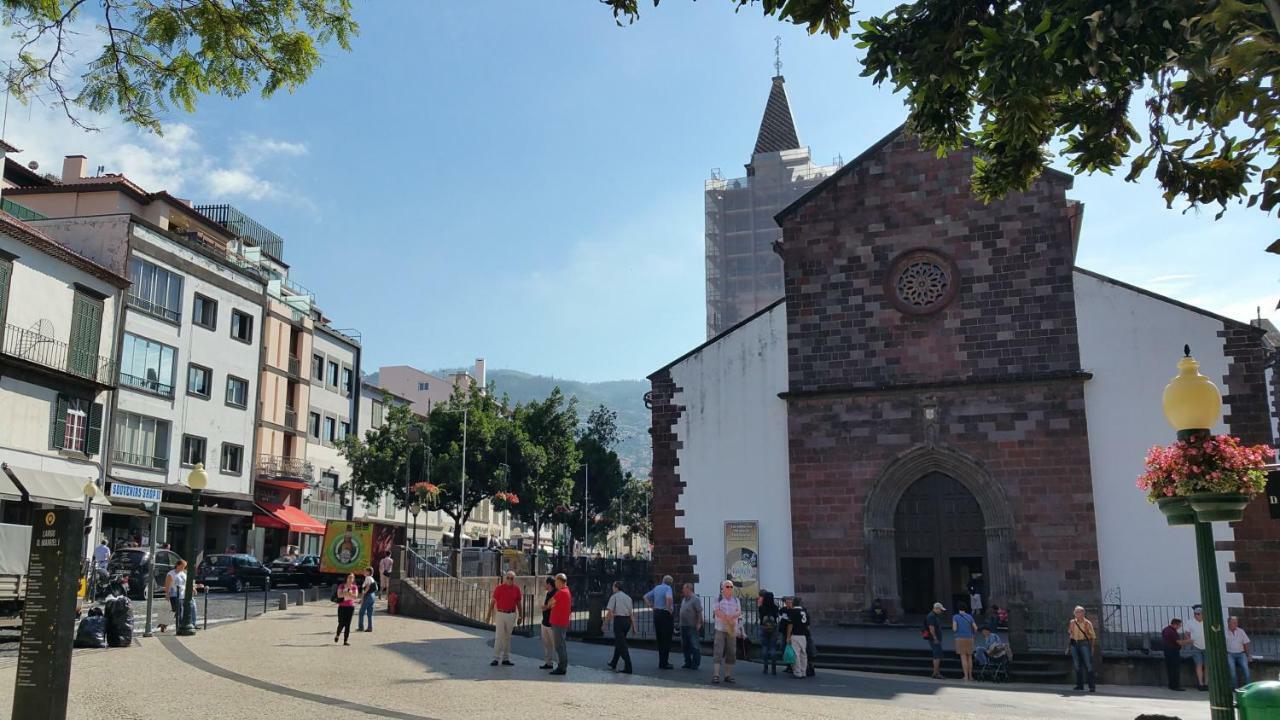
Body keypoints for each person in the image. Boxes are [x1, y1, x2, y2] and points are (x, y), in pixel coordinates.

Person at [486, 570, 523, 666]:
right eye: (508, 578)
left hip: (511, 614)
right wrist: (488, 615)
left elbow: (519, 603)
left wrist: (521, 616)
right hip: (501, 613)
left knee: (507, 638)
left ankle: (506, 658)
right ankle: (496, 658)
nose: (510, 580)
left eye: (512, 578)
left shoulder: (516, 589)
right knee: (499, 637)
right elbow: (493, 602)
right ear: (505, 578)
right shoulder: (499, 588)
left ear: (514, 579)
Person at [711, 580, 741, 684]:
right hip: (720, 628)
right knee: (718, 651)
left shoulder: (736, 600)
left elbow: (739, 612)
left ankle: (728, 675)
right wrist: (726, 618)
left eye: (731, 587)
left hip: (732, 628)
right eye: (727, 586)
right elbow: (716, 611)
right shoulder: (718, 599)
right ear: (722, 589)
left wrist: (732, 617)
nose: (729, 588)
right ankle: (716, 675)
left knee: (731, 651)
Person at [643, 574, 676, 669]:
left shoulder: (657, 588)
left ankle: (661, 662)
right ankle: (664, 663)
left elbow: (645, 596)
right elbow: (669, 598)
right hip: (665, 614)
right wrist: (669, 609)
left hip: (656, 614)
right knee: (667, 639)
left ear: (663, 580)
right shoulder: (668, 588)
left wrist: (651, 606)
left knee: (660, 639)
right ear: (670, 583)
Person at [604, 581, 633, 673]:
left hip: (619, 621)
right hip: (627, 621)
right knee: (619, 641)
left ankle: (628, 666)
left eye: (613, 586)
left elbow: (609, 612)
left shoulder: (614, 597)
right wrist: (634, 625)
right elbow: (631, 613)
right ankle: (614, 662)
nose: (612, 588)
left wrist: (604, 624)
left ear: (616, 587)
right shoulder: (628, 597)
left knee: (621, 644)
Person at [1066, 605, 1097, 692]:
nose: (1077, 614)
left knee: (1088, 664)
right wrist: (1068, 647)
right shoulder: (1072, 622)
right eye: (1076, 612)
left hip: (1084, 643)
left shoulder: (1087, 623)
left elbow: (1093, 637)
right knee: (1077, 664)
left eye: (1079, 612)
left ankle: (1092, 686)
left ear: (1083, 613)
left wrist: (1092, 648)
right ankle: (1080, 685)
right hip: (1074, 644)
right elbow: (1070, 635)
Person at [547, 573, 572, 675]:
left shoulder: (561, 592)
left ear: (560, 581)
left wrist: (552, 604)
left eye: (556, 581)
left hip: (559, 623)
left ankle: (562, 667)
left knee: (559, 646)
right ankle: (563, 666)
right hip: (561, 622)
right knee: (561, 645)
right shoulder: (566, 591)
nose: (555, 583)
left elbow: (549, 603)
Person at [784, 595, 811, 679]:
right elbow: (808, 625)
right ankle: (803, 671)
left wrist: (788, 637)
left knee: (796, 654)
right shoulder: (804, 611)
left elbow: (790, 625)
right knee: (804, 654)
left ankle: (798, 671)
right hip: (803, 635)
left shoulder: (793, 611)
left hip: (795, 634)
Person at [678, 582, 703, 670]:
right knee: (685, 645)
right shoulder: (684, 599)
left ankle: (695, 663)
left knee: (694, 644)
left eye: (684, 589)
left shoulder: (695, 599)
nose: (682, 591)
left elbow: (699, 612)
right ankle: (687, 662)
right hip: (683, 625)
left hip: (692, 625)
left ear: (689, 589)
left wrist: (699, 623)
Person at [1161, 617, 1190, 690]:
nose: (1180, 627)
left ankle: (1171, 685)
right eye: (1179, 625)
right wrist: (1188, 641)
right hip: (1173, 651)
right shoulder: (1172, 631)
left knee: (1170, 669)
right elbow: (1179, 642)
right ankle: (1176, 686)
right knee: (1175, 669)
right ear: (1175, 624)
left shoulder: (1165, 629)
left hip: (1167, 651)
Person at [159, 559, 187, 633]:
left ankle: (164, 624)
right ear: (178, 565)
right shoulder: (171, 574)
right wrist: (167, 594)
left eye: (185, 566)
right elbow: (167, 585)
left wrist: (193, 588)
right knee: (177, 611)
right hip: (174, 595)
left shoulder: (183, 574)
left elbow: (185, 584)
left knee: (176, 612)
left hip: (182, 595)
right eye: (183, 566)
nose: (184, 568)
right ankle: (180, 627)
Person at [953, 603, 979, 681]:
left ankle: (966, 676)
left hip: (960, 638)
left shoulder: (955, 617)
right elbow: (976, 628)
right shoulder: (970, 617)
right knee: (970, 658)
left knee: (963, 657)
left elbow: (954, 629)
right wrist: (972, 634)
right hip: (969, 638)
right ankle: (971, 676)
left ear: (958, 609)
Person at [1225, 616, 1252, 688]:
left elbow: (1246, 643)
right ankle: (1235, 688)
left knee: (1246, 669)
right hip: (1230, 653)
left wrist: (1248, 655)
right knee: (1232, 670)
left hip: (1241, 653)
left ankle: (1248, 687)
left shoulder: (1241, 631)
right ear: (1229, 623)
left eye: (1236, 622)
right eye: (1234, 622)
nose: (1236, 624)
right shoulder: (1224, 632)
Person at [758, 590, 780, 674]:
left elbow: (760, 617)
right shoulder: (775, 607)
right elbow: (777, 616)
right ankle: (773, 668)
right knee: (773, 647)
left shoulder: (762, 607)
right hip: (773, 628)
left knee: (765, 647)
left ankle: (765, 667)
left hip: (764, 628)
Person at [1185, 605, 1207, 691]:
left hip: (1206, 646)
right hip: (1196, 646)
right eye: (1196, 614)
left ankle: (1206, 683)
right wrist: (1189, 639)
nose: (1197, 615)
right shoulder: (1190, 622)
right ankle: (1200, 683)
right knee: (1199, 664)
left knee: (1207, 665)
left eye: (1199, 614)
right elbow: (1187, 633)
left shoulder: (1207, 622)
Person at [334, 573, 358, 645]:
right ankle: (337, 635)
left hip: (350, 607)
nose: (351, 579)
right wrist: (347, 593)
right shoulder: (341, 586)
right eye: (349, 577)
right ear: (346, 578)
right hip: (342, 607)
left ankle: (345, 641)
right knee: (341, 623)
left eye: (352, 578)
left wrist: (349, 593)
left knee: (348, 624)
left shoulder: (354, 587)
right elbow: (339, 595)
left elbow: (355, 596)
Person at [539, 576, 556, 670]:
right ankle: (548, 663)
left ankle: (560, 664)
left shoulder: (555, 593)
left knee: (555, 645)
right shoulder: (548, 593)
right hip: (545, 622)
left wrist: (546, 607)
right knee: (547, 644)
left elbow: (553, 605)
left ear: (549, 584)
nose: (544, 585)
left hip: (551, 623)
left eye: (545, 583)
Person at [926, 602, 946, 679]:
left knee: (937, 655)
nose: (941, 611)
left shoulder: (934, 615)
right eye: (940, 610)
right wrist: (935, 638)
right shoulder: (931, 616)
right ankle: (935, 673)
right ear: (936, 608)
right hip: (934, 639)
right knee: (937, 655)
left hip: (935, 638)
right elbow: (931, 628)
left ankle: (936, 672)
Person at [357, 566, 378, 632]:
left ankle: (361, 627)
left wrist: (362, 597)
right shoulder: (372, 578)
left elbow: (367, 587)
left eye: (365, 571)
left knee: (361, 612)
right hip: (373, 596)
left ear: (368, 572)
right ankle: (370, 627)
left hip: (368, 596)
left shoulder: (367, 578)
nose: (364, 572)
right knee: (369, 612)